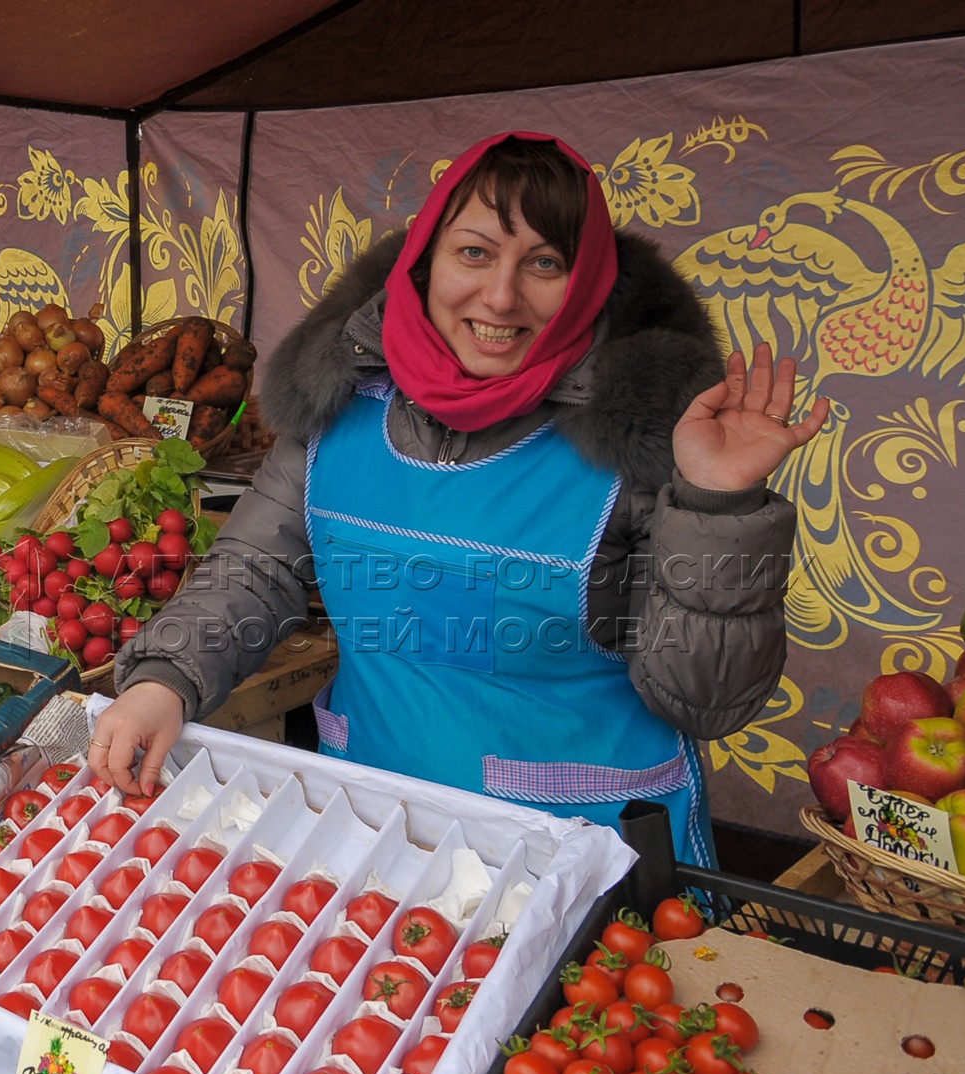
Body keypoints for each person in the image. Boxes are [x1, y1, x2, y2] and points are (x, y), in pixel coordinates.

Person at [91, 131, 827, 866]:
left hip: (584, 858)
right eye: (474, 252)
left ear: (589, 283)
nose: (501, 295)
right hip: (376, 837)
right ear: (424, 263)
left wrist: (719, 505)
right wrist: (166, 679)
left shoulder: (647, 442)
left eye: (544, 263)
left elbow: (705, 701)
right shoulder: (342, 404)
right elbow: (255, 571)